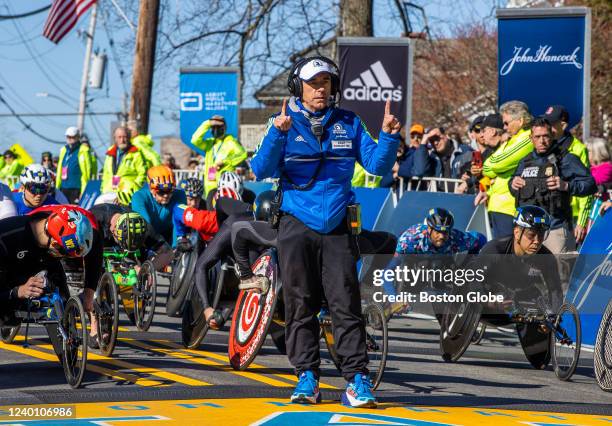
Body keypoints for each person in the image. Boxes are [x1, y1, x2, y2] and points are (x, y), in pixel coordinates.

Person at [250, 55, 400, 408]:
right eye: (314, 83)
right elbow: (260, 169)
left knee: (345, 303)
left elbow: (377, 166)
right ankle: (307, 377)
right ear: (297, 87)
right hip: (295, 223)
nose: (321, 89)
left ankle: (356, 380)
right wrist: (276, 134)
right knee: (300, 302)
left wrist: (390, 137)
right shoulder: (282, 123)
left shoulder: (348, 122)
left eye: (327, 83)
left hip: (336, 226)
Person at [509, 118, 596, 253]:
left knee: (559, 273)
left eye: (546, 136)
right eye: (537, 137)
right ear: (531, 138)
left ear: (553, 136)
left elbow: (590, 185)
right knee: (526, 273)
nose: (542, 141)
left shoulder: (566, 159)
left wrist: (566, 185)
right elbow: (513, 187)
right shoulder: (525, 161)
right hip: (528, 232)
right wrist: (513, 183)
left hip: (555, 230)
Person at [0, 207, 93, 321]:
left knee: (57, 294)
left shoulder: (51, 238)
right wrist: (18, 291)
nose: (64, 257)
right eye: (65, 253)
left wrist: (70, 305)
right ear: (55, 243)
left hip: (26, 262)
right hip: (4, 268)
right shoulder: (7, 235)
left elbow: (59, 280)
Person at [477, 205, 562, 312]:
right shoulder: (495, 249)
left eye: (541, 236)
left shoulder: (547, 257)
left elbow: (555, 291)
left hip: (517, 300)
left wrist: (554, 317)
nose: (536, 241)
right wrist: (487, 302)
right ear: (517, 233)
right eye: (531, 235)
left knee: (537, 300)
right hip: (489, 297)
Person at [481, 101, 534, 238]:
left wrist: (497, 167)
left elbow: (496, 164)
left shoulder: (527, 138)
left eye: (506, 123)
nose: (504, 128)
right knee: (498, 253)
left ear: (520, 120)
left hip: (509, 207)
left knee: (508, 255)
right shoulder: (513, 139)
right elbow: (487, 168)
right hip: (498, 204)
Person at [542, 105, 592, 245]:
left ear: (563, 125)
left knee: (564, 260)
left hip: (571, 216)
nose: (546, 127)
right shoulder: (542, 145)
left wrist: (581, 222)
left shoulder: (578, 149)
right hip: (548, 213)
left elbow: (587, 186)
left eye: (550, 124)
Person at [191, 115, 247, 196]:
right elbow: (195, 140)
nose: (216, 129)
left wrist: (225, 162)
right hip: (208, 186)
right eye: (213, 127)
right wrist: (208, 123)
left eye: (218, 127)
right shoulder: (209, 143)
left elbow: (242, 154)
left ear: (224, 128)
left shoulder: (230, 142)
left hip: (225, 184)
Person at [131, 165, 186, 245]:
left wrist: (176, 248)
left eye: (170, 191)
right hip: (147, 236)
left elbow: (178, 225)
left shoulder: (180, 195)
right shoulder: (139, 197)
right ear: (151, 189)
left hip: (168, 234)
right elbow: (146, 225)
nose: (166, 195)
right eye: (161, 192)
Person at [173, 178, 219, 245]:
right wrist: (180, 238)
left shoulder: (204, 206)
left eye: (197, 199)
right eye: (190, 199)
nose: (194, 203)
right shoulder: (178, 206)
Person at [455, 116, 495, 194]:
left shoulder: (496, 149)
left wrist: (469, 181)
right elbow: (460, 178)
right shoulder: (466, 155)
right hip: (474, 199)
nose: (482, 134)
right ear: (472, 133)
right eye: (478, 130)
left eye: (484, 130)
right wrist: (464, 176)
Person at [101, 127, 147, 194]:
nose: (122, 140)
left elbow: (142, 173)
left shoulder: (136, 153)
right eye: (119, 137)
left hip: (127, 193)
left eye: (124, 137)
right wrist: (103, 189)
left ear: (129, 138)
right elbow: (106, 174)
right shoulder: (110, 152)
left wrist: (134, 188)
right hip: (109, 191)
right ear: (115, 138)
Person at [56, 126, 94, 203]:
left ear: (78, 137)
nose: (70, 139)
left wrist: (83, 191)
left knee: (74, 211)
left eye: (72, 137)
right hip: (63, 188)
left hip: (76, 188)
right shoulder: (64, 150)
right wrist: (57, 189)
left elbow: (86, 173)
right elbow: (59, 170)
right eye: (68, 137)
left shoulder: (83, 150)